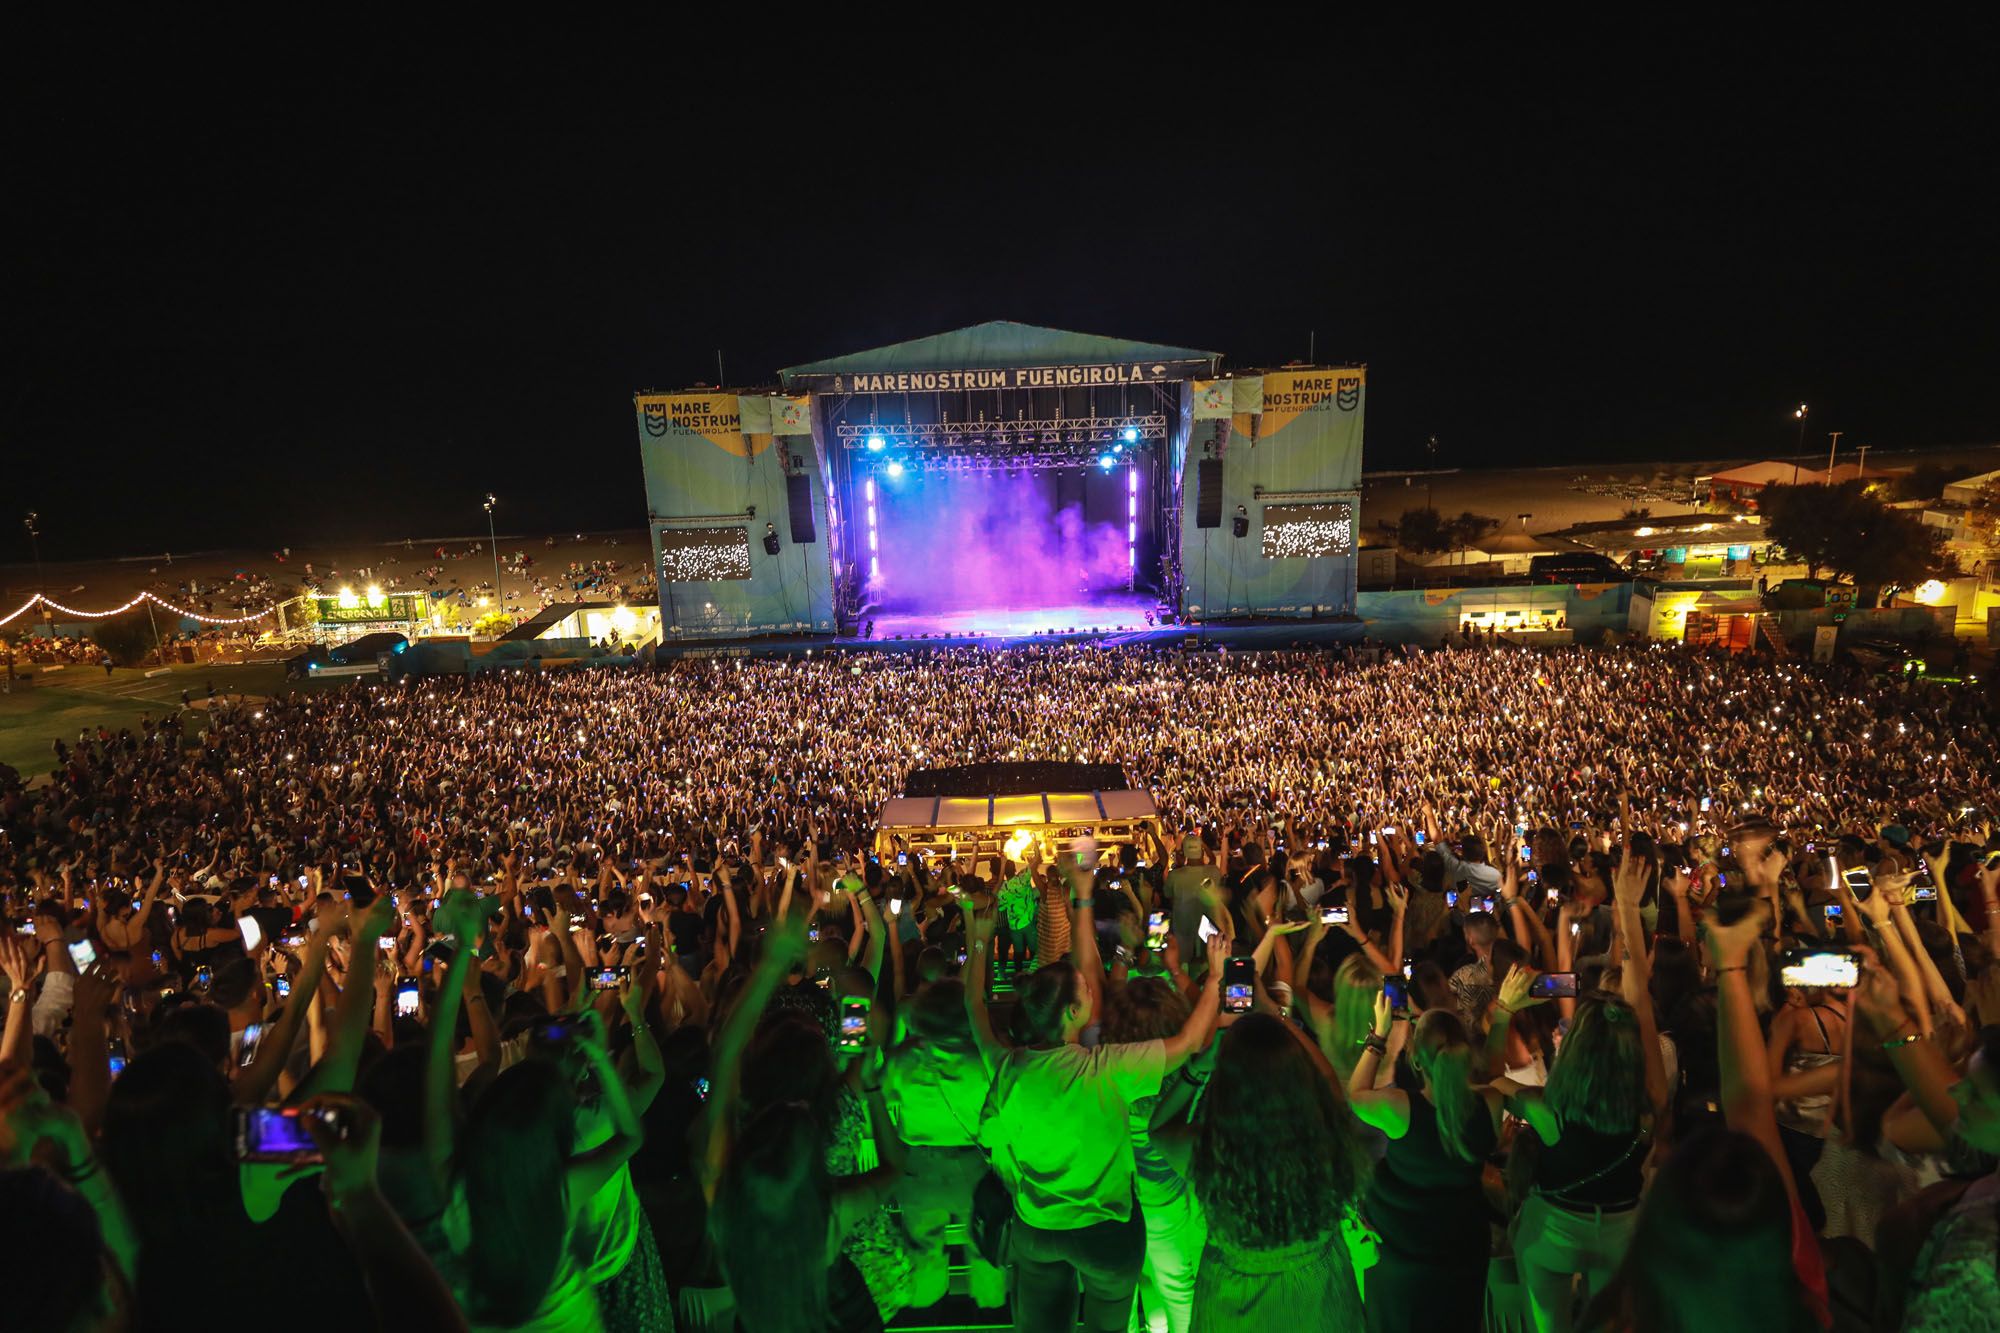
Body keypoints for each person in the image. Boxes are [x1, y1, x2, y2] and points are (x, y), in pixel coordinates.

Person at [967, 872, 1225, 1333]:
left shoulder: (1009, 1066)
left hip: (1039, 1228)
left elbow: (975, 1009)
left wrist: (979, 938)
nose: (1092, 986)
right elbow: (1187, 1042)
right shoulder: (1106, 1068)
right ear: (1072, 1012)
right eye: (1084, 989)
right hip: (1106, 1234)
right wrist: (1217, 976)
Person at [1348, 988, 1517, 1333]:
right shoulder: (1490, 1104)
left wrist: (1378, 1036)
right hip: (1462, 1250)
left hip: (1402, 1254)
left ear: (1417, 1061)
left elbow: (1355, 1095)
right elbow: (1490, 1077)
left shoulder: (1400, 1109)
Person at [1188, 1012, 1367, 1331]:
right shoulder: (1325, 1134)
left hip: (1234, 1302)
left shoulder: (1211, 1150)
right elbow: (1327, 1078)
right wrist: (1280, 1022)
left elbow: (1158, 1128)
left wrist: (1195, 1069)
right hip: (1319, 1294)